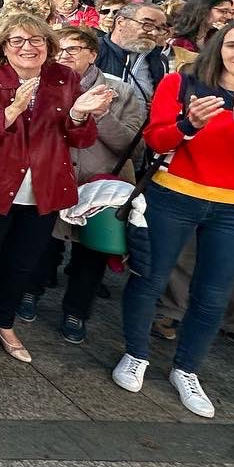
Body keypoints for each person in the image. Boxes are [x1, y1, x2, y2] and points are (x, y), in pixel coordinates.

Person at [113, 19, 234, 416]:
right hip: (174, 196)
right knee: (149, 278)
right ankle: (135, 353)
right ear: (219, 46)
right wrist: (190, 124)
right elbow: (156, 139)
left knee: (214, 293)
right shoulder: (182, 83)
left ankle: (186, 369)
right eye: (233, 44)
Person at [0, 14, 113, 363]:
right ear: (3, 47)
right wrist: (12, 111)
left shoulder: (65, 78)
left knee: (22, 264)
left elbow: (82, 139)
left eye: (36, 40)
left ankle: (4, 320)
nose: (28, 47)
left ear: (49, 46)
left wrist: (81, 115)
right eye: (18, 41)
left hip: (42, 190)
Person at [30, 26, 145, 344]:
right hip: (54, 179)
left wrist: (102, 114)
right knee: (43, 243)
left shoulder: (120, 91)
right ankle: (30, 292)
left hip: (100, 187)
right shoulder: (44, 86)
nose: (63, 56)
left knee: (90, 254)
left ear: (93, 54)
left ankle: (76, 312)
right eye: (58, 50)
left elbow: (132, 147)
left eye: (72, 50)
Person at [167, 0, 233, 70]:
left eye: (230, 12)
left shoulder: (215, 36)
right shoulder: (175, 40)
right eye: (223, 11)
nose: (229, 17)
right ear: (203, 10)